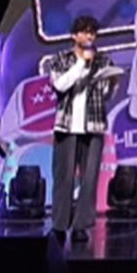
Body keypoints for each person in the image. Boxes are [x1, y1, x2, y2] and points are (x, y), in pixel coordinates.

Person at [39, 15, 119, 245]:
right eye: (85, 32)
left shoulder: (103, 61)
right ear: (74, 36)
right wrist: (81, 63)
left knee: (90, 179)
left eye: (92, 32)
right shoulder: (61, 60)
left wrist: (112, 85)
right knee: (63, 178)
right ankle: (59, 225)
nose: (89, 36)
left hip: (93, 126)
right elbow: (60, 85)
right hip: (67, 126)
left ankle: (81, 226)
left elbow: (104, 95)